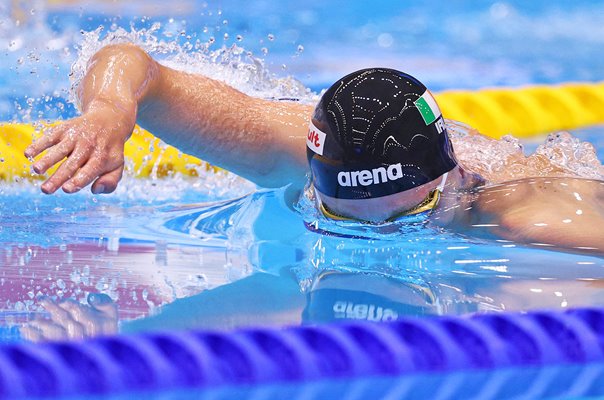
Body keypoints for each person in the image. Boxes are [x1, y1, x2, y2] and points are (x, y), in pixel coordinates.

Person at [24, 43, 604, 254]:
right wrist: (105, 115)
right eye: (339, 215)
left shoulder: (527, 212)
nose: (375, 235)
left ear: (451, 178)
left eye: (409, 215)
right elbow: (128, 62)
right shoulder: (281, 145)